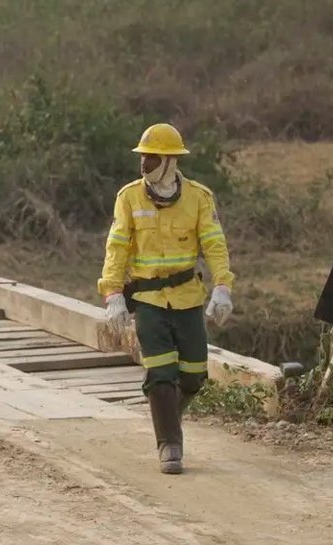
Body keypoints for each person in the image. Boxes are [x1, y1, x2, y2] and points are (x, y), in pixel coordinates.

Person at [97, 123, 234, 474]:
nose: (144, 163)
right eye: (143, 156)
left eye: (151, 157)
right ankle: (170, 446)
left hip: (188, 298)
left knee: (193, 374)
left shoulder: (199, 198)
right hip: (148, 300)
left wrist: (223, 286)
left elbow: (214, 244)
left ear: (171, 161)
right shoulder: (129, 197)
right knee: (159, 372)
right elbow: (117, 247)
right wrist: (112, 293)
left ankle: (168, 414)